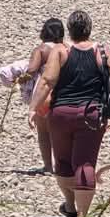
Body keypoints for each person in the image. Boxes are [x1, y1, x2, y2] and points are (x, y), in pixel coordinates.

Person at [29, 10, 110, 217]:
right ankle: (83, 215)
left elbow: (47, 81)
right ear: (90, 28)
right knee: (85, 162)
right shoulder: (102, 52)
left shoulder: (61, 51)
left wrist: (34, 107)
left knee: (62, 161)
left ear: (69, 30)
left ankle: (69, 204)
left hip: (61, 113)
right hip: (91, 113)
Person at [24, 18, 66, 173]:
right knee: (61, 132)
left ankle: (48, 165)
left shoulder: (41, 50)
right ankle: (62, 164)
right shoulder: (65, 48)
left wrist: (20, 77)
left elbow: (32, 69)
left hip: (45, 93)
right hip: (63, 92)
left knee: (43, 131)